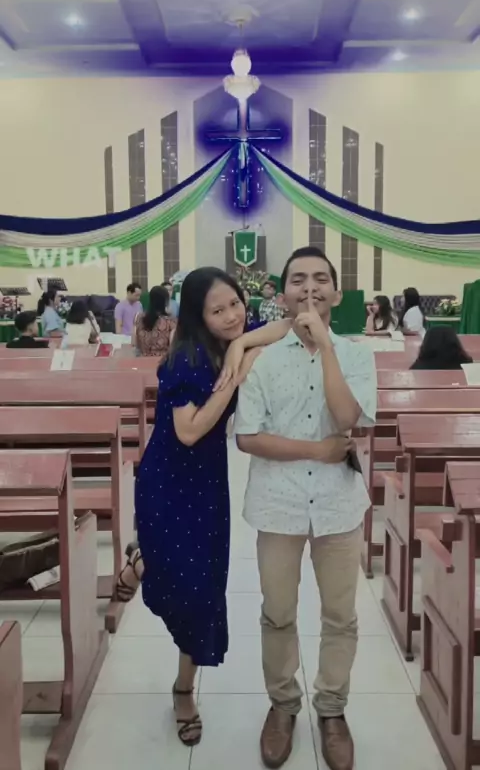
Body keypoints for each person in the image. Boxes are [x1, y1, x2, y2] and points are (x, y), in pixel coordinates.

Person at [124, 268, 291, 748]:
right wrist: (233, 375)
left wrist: (240, 347)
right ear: (199, 316)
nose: (232, 315)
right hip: (168, 482)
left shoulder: (230, 339)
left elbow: (286, 325)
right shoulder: (187, 358)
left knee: (203, 594)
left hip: (208, 486)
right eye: (218, 310)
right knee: (186, 588)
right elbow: (190, 431)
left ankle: (183, 687)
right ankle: (145, 564)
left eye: (235, 303)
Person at [235, 246, 377, 770]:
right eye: (298, 280)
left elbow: (346, 418)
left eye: (320, 279)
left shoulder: (357, 356)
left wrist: (327, 348)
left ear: (336, 293)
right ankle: (283, 706)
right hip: (278, 503)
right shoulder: (263, 360)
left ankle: (332, 710)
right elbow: (248, 437)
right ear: (283, 294)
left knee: (340, 615)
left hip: (339, 505)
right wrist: (317, 450)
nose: (310, 288)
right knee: (278, 612)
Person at [133, 285, 176, 359]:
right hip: (162, 362)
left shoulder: (138, 318)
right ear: (166, 301)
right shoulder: (171, 322)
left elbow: (134, 343)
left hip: (142, 361)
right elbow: (173, 348)